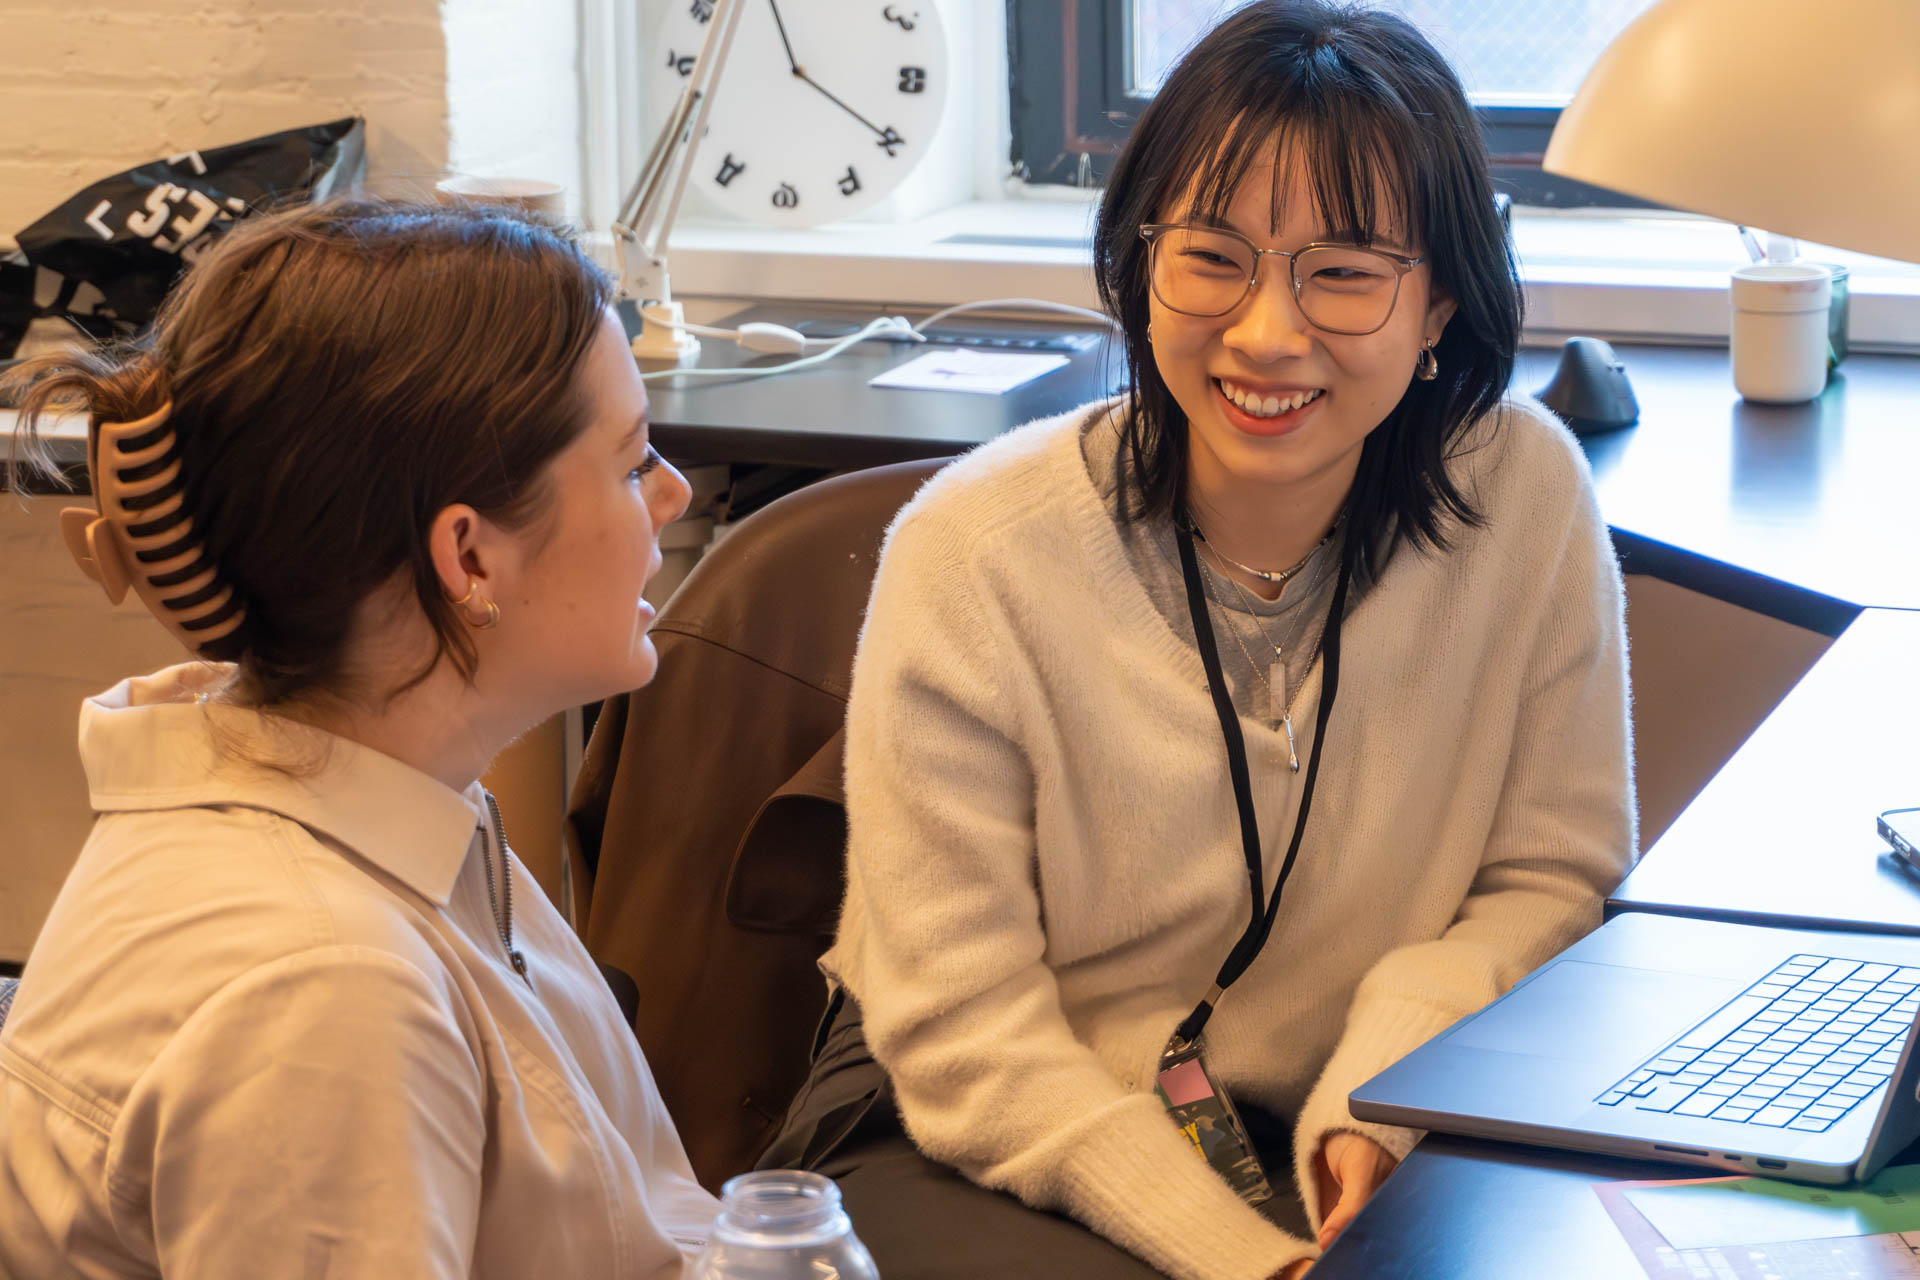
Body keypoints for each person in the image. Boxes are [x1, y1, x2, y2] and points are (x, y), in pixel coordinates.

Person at [762, 4, 1636, 1279]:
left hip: (1345, 1091)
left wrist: (1378, 1090)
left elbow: (1547, 876)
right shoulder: (973, 550)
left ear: (1441, 299)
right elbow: (959, 1024)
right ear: (1138, 262)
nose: (1268, 332)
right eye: (1213, 258)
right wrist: (1238, 1256)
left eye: (1343, 272)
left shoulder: (1528, 500)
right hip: (975, 1104)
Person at [0, 201, 715, 1277]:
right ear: (468, 558)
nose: (673, 494)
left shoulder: (383, 796)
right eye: (628, 462)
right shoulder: (321, 992)